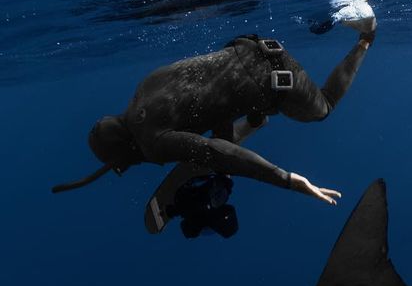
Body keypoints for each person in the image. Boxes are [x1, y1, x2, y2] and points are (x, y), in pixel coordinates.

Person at [52, 17, 377, 204]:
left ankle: (367, 35)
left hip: (276, 79)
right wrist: (242, 125)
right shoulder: (143, 89)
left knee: (323, 108)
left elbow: (217, 152)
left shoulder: (152, 142)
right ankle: (256, 117)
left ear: (127, 153)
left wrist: (288, 179)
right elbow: (205, 96)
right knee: (230, 120)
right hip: (249, 46)